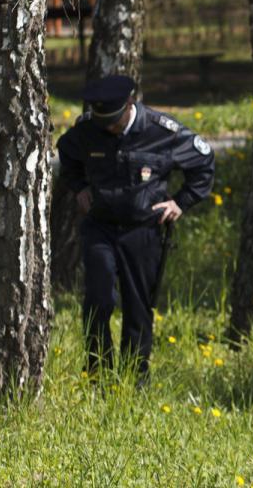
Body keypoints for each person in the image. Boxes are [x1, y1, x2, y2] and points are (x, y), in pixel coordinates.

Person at [56, 75, 215, 381]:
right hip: (100, 227)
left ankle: (134, 379)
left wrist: (180, 202)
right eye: (104, 122)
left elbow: (204, 161)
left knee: (138, 307)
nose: (109, 128)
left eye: (114, 121)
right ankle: (98, 376)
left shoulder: (161, 131)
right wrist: (79, 188)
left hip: (143, 231)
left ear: (130, 105)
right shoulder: (89, 130)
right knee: (98, 300)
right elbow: (68, 154)